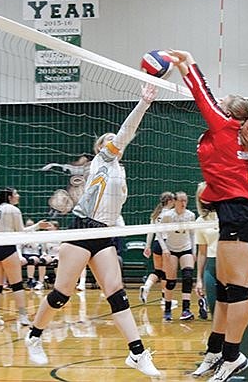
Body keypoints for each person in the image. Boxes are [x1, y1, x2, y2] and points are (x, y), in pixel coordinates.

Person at [25, 83, 161, 377]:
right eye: (109, 140)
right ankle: (34, 336)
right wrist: (144, 102)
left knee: (117, 295)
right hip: (82, 230)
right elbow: (126, 132)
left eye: (115, 141)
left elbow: (114, 210)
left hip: (104, 234)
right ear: (101, 148)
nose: (115, 141)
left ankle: (137, 353)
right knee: (61, 294)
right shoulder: (103, 159)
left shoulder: (119, 172)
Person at [169, 50, 248, 381]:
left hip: (242, 213)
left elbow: (203, 96)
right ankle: (216, 351)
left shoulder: (226, 127)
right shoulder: (229, 132)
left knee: (239, 288)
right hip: (231, 212)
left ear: (228, 112)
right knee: (227, 288)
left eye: (223, 103)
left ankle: (234, 357)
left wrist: (188, 65)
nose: (218, 104)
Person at [0, 187, 52, 326]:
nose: (19, 195)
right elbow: (21, 233)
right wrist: (37, 226)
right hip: (6, 248)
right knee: (17, 284)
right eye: (16, 193)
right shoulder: (13, 210)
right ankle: (23, 317)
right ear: (10, 197)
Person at [157, 191, 196, 321]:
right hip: (171, 250)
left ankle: (186, 309)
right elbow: (158, 232)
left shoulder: (190, 215)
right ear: (175, 202)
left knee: (188, 277)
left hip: (186, 248)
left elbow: (192, 234)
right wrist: (164, 249)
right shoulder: (167, 216)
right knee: (171, 282)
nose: (184, 203)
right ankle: (167, 310)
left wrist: (194, 251)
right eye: (181, 201)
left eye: (185, 201)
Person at [139, 191, 176, 305]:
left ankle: (146, 287)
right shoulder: (171, 214)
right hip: (166, 243)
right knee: (166, 273)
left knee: (158, 271)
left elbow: (151, 232)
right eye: (173, 200)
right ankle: (165, 298)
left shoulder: (156, 214)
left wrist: (147, 246)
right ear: (169, 201)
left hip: (156, 243)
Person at [195, 182, 219, 319]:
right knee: (214, 308)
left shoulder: (226, 215)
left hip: (227, 263)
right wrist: (199, 279)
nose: (204, 199)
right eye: (201, 196)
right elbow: (202, 252)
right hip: (211, 266)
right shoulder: (200, 221)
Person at [19, 219, 45, 290]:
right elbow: (18, 247)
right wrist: (20, 257)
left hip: (34, 254)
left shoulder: (38, 235)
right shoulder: (22, 235)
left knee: (31, 260)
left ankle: (30, 280)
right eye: (28, 225)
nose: (30, 227)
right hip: (24, 255)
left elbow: (40, 247)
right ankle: (16, 282)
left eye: (31, 225)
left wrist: (30, 242)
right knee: (15, 262)